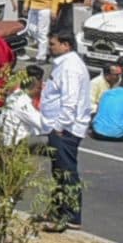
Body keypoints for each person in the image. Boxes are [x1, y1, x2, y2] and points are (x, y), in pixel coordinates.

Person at [37, 29, 92, 229]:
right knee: (59, 172)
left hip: (65, 129)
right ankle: (57, 210)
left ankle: (70, 215)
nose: (50, 48)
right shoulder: (64, 65)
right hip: (58, 127)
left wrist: (60, 126)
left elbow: (70, 101)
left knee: (66, 172)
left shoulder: (70, 68)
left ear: (66, 45)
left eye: (53, 44)